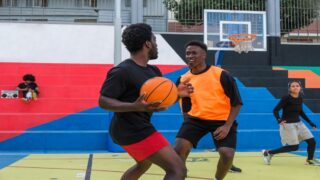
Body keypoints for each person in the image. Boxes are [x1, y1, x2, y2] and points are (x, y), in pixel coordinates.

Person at [98, 23, 193, 180]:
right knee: (178, 170)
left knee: (143, 164)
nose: (156, 44)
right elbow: (103, 101)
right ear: (147, 44)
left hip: (131, 128)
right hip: (132, 129)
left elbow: (159, 105)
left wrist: (178, 95)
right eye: (154, 40)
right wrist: (134, 106)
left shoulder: (154, 72)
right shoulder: (123, 71)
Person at [174, 40, 243, 180]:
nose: (190, 56)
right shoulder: (183, 79)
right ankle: (179, 174)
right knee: (179, 148)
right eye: (188, 53)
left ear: (204, 55)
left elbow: (237, 103)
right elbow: (185, 104)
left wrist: (227, 126)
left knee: (227, 154)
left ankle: (217, 178)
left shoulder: (221, 75)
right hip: (196, 119)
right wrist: (188, 123)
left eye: (194, 53)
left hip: (221, 120)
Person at [262, 80, 319, 166]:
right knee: (294, 147)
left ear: (300, 87)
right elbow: (275, 110)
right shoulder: (286, 98)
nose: (295, 87)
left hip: (299, 124)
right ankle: (269, 152)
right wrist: (279, 120)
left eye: (297, 86)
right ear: (289, 88)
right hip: (288, 125)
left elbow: (300, 112)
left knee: (312, 141)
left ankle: (310, 160)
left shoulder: (300, 98)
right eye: (293, 86)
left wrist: (310, 122)